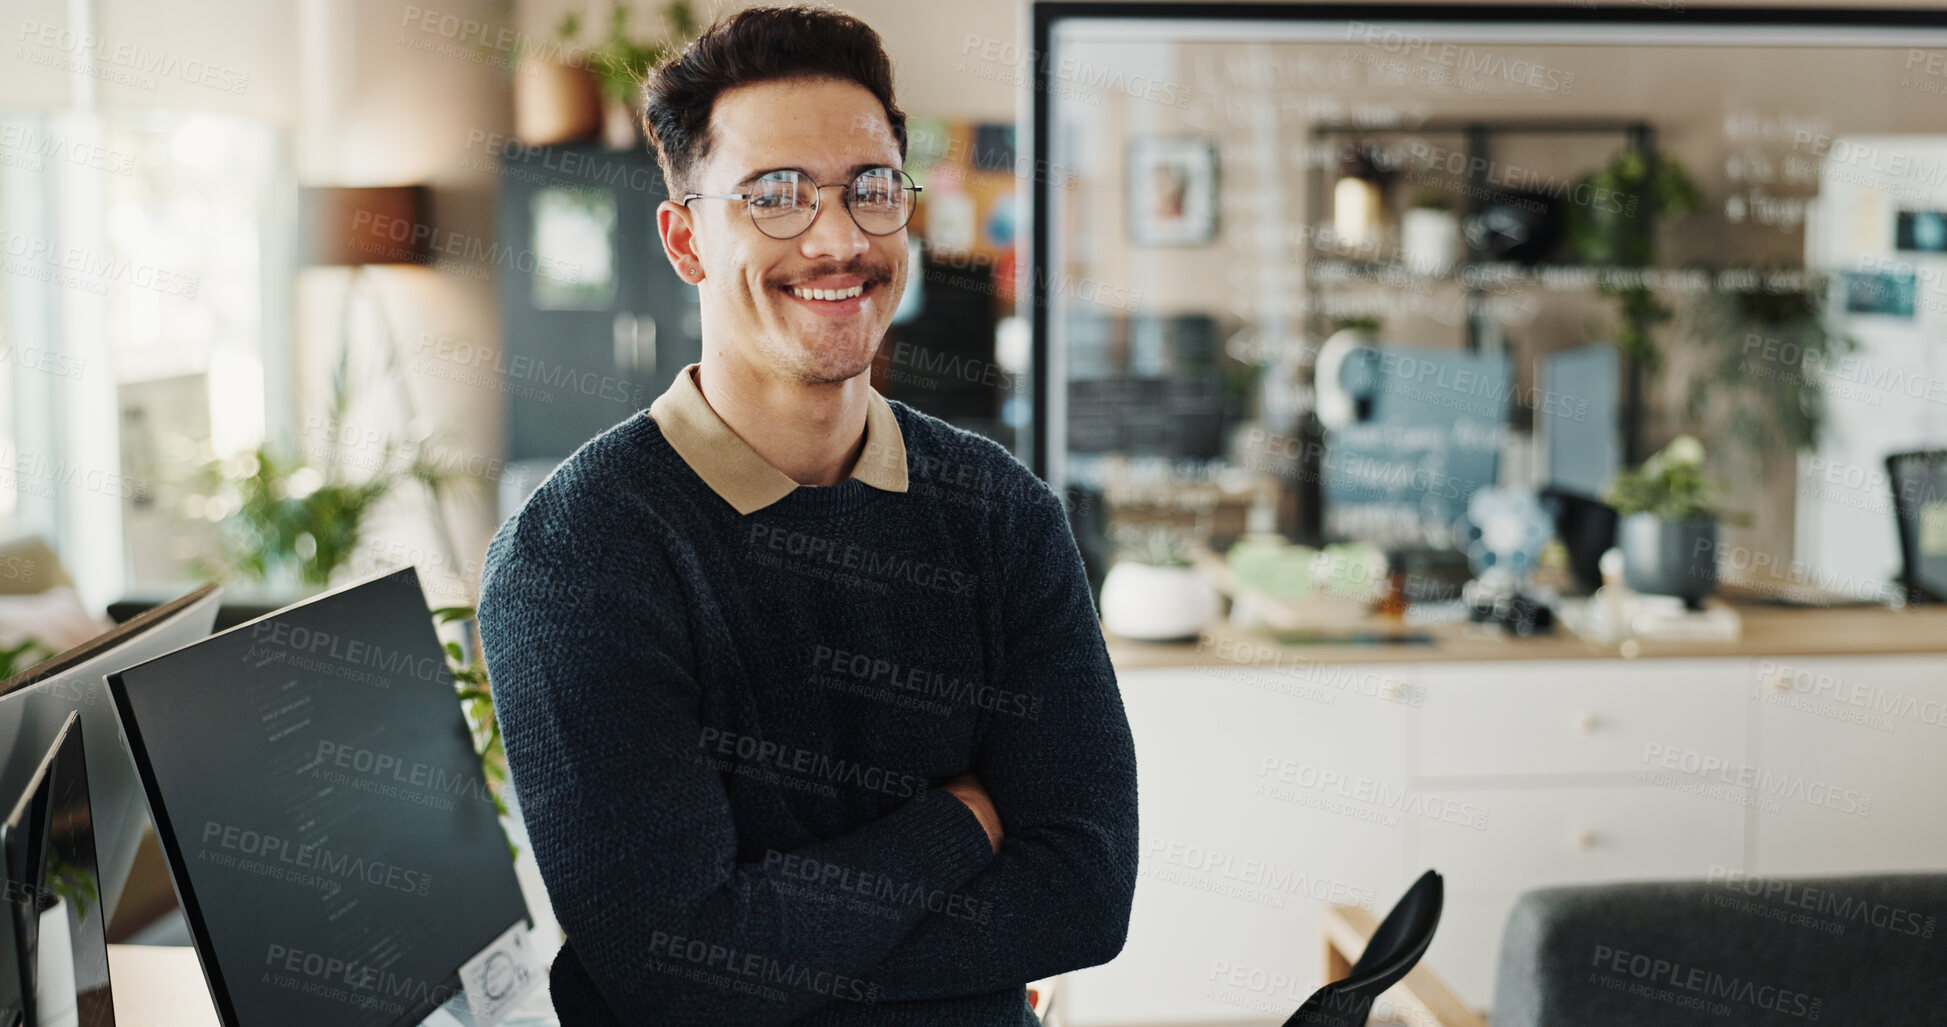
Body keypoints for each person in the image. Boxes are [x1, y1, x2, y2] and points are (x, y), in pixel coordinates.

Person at [476, 6, 1138, 1025]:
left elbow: (1084, 897)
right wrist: (962, 824)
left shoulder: (1001, 515)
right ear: (686, 238)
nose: (838, 238)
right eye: (775, 196)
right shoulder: (578, 555)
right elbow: (675, 970)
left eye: (871, 189)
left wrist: (759, 947)